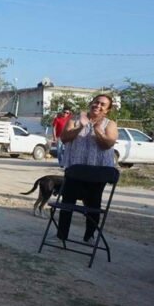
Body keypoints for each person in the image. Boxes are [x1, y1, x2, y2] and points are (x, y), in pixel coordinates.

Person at [56, 94, 118, 243]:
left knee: (93, 204)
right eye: (96, 102)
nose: (98, 105)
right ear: (91, 103)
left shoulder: (110, 124)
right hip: (75, 171)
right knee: (67, 203)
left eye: (103, 104)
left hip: (97, 172)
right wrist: (81, 127)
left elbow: (107, 144)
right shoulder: (75, 120)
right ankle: (61, 235)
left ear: (107, 110)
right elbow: (64, 138)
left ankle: (89, 235)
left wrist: (97, 130)